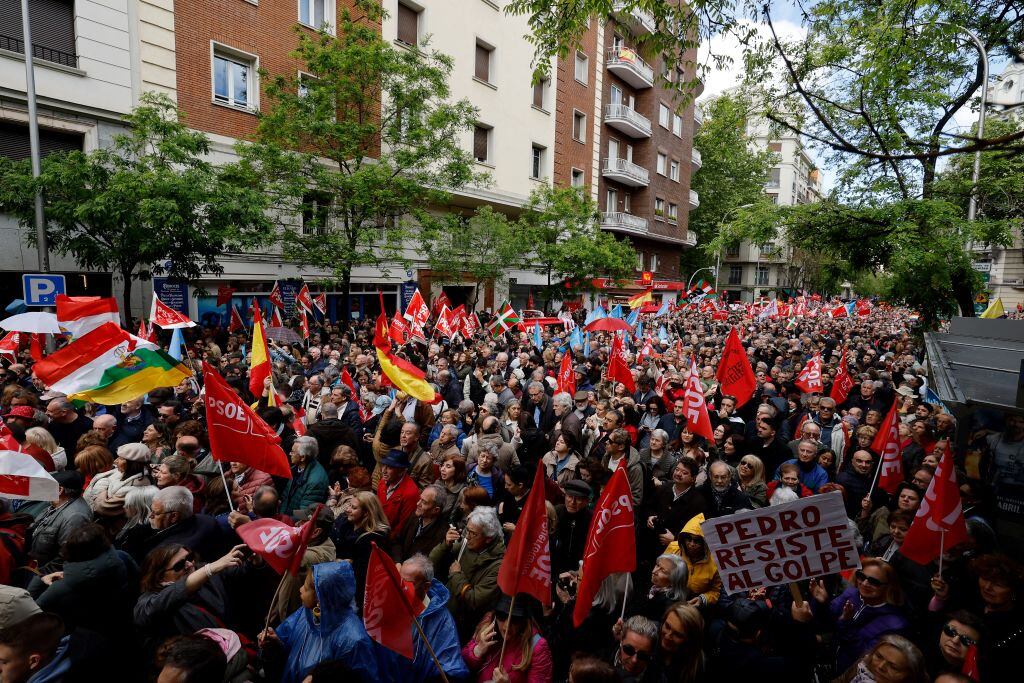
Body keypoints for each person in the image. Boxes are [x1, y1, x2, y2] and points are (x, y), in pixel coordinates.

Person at [259, 562, 379, 683]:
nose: (300, 589)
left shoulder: (353, 641)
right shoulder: (306, 613)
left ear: (320, 598)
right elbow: (287, 647)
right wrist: (275, 643)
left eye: (306, 588)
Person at [133, 543, 248, 653]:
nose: (189, 564)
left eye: (190, 557)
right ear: (160, 577)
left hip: (238, 646)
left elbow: (239, 573)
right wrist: (208, 570)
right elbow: (150, 611)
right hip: (203, 663)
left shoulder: (202, 569)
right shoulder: (148, 602)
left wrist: (255, 562)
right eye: (179, 565)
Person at [31, 523, 138, 639]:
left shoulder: (62, 587)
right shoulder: (122, 557)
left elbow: (30, 612)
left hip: (78, 642)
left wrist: (40, 580)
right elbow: (138, 585)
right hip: (121, 631)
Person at [804, 557, 911, 673]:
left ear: (889, 587)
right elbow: (828, 622)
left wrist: (846, 623)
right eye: (861, 576)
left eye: (874, 582)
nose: (865, 584)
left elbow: (866, 657)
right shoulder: (852, 593)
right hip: (831, 663)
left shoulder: (895, 624)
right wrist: (822, 603)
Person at [378, 554, 469, 682]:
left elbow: (449, 668)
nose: (401, 588)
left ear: (426, 586)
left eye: (408, 584)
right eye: (400, 581)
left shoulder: (442, 620)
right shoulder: (390, 602)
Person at [429, 506, 505, 639]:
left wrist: (456, 575)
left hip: (464, 626)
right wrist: (446, 545)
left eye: (473, 533)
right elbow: (431, 562)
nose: (467, 537)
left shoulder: (498, 566)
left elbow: (475, 600)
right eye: (467, 530)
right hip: (445, 610)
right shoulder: (467, 544)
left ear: (488, 537)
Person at [462, 593, 553, 683]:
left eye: (514, 619)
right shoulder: (488, 624)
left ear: (524, 620)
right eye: (501, 616)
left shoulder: (537, 647)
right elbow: (461, 665)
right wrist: (478, 650)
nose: (506, 627)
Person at [26, 470, 92, 577]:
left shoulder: (75, 517)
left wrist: (38, 575)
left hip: (45, 575)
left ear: (60, 490)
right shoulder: (56, 504)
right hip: (34, 567)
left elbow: (66, 556)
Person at [332, 490, 389, 601]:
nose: (348, 510)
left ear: (366, 513)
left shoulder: (372, 540)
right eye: (349, 506)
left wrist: (343, 564)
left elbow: (361, 574)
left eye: (354, 508)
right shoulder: (345, 523)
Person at [84, 442, 153, 522]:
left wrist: (100, 489)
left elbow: (102, 507)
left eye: (121, 458)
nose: (115, 461)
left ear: (132, 464)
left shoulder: (137, 487)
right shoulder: (122, 472)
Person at [833, 634, 929, 683]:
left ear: (909, 676)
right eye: (879, 657)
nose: (880, 666)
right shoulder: (864, 663)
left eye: (893, 667)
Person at [392, 484, 449, 562]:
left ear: (436, 510)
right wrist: (398, 562)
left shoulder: (442, 534)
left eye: (424, 502)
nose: (418, 504)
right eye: (420, 499)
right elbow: (397, 541)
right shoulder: (414, 516)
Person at [280, 436, 329, 517]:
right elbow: (285, 498)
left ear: (302, 457)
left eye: (293, 452)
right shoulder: (295, 469)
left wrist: (285, 523)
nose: (290, 454)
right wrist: (281, 517)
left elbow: (304, 514)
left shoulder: (315, 481)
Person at [553, 479, 594, 575]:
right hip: (555, 568)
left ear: (587, 501)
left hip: (579, 571)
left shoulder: (592, 519)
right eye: (570, 497)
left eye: (578, 499)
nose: (572, 502)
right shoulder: (556, 512)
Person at [377, 448, 421, 536]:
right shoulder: (383, 482)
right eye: (384, 465)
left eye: (389, 467)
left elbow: (403, 526)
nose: (383, 471)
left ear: (401, 471)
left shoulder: (410, 493)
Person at [609, 614, 658, 682]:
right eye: (629, 650)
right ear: (621, 640)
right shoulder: (601, 658)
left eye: (642, 655)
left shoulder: (657, 679)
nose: (634, 660)